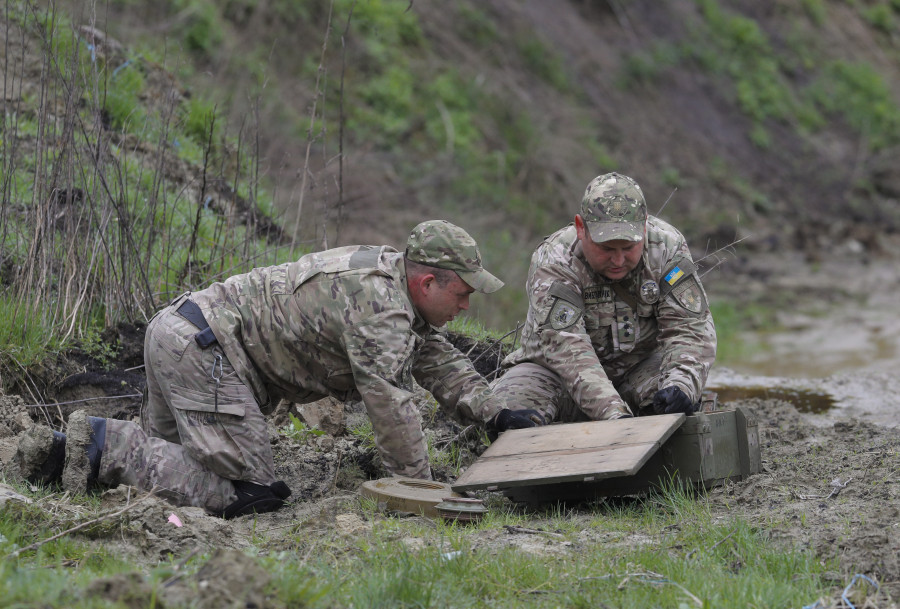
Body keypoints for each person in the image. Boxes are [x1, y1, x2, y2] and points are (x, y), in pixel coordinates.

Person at [14, 220, 543, 518]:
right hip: (205, 352)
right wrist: (422, 492)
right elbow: (392, 405)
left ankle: (71, 455)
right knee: (250, 492)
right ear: (428, 283)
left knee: (174, 472)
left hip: (184, 333)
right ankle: (101, 445)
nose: (467, 306)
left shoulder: (392, 285)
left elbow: (437, 360)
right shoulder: (380, 308)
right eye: (463, 292)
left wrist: (498, 413)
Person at [490, 172, 716, 423]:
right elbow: (567, 349)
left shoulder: (666, 247)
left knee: (675, 403)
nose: (618, 260)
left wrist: (682, 384)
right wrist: (613, 414)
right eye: (606, 248)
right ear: (580, 228)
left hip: (637, 370)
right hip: (554, 375)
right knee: (512, 409)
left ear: (644, 228)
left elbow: (689, 327)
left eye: (628, 248)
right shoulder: (555, 260)